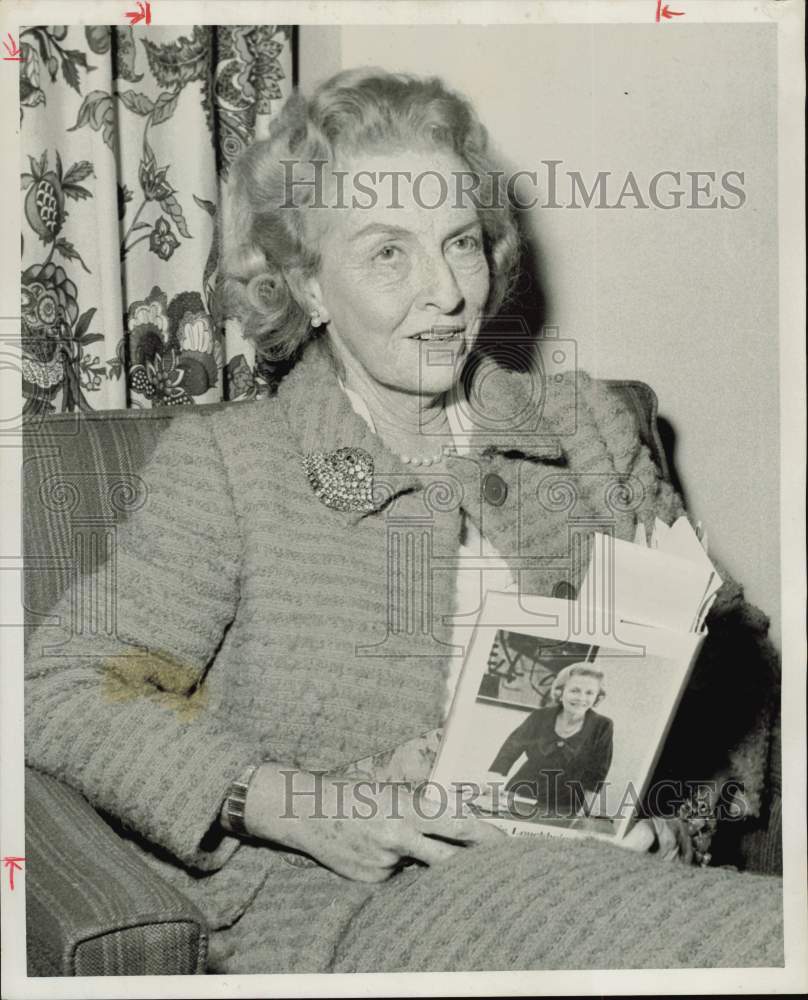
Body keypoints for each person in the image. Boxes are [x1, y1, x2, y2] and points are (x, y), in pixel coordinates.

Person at [24, 67, 783, 973]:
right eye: (389, 252)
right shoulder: (235, 465)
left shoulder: (582, 430)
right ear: (305, 286)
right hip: (358, 903)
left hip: (607, 885)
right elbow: (62, 690)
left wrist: (666, 832)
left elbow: (721, 694)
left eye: (460, 242)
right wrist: (295, 804)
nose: (447, 292)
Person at [487, 663, 613, 817]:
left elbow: (597, 773)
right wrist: (491, 789)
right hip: (522, 792)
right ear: (561, 692)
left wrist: (584, 811)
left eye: (589, 693)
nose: (581, 698)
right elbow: (509, 750)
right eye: (575, 690)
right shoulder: (540, 716)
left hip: (567, 802)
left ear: (596, 698)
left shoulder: (602, 726)